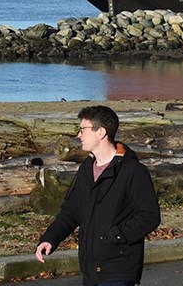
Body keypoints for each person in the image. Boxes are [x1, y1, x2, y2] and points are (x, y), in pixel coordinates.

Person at [36, 105, 161, 285]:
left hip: (119, 268)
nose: (79, 135)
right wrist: (50, 238)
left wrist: (115, 237)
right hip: (91, 269)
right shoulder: (86, 170)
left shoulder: (132, 171)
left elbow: (149, 216)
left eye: (82, 129)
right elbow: (71, 212)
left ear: (101, 132)